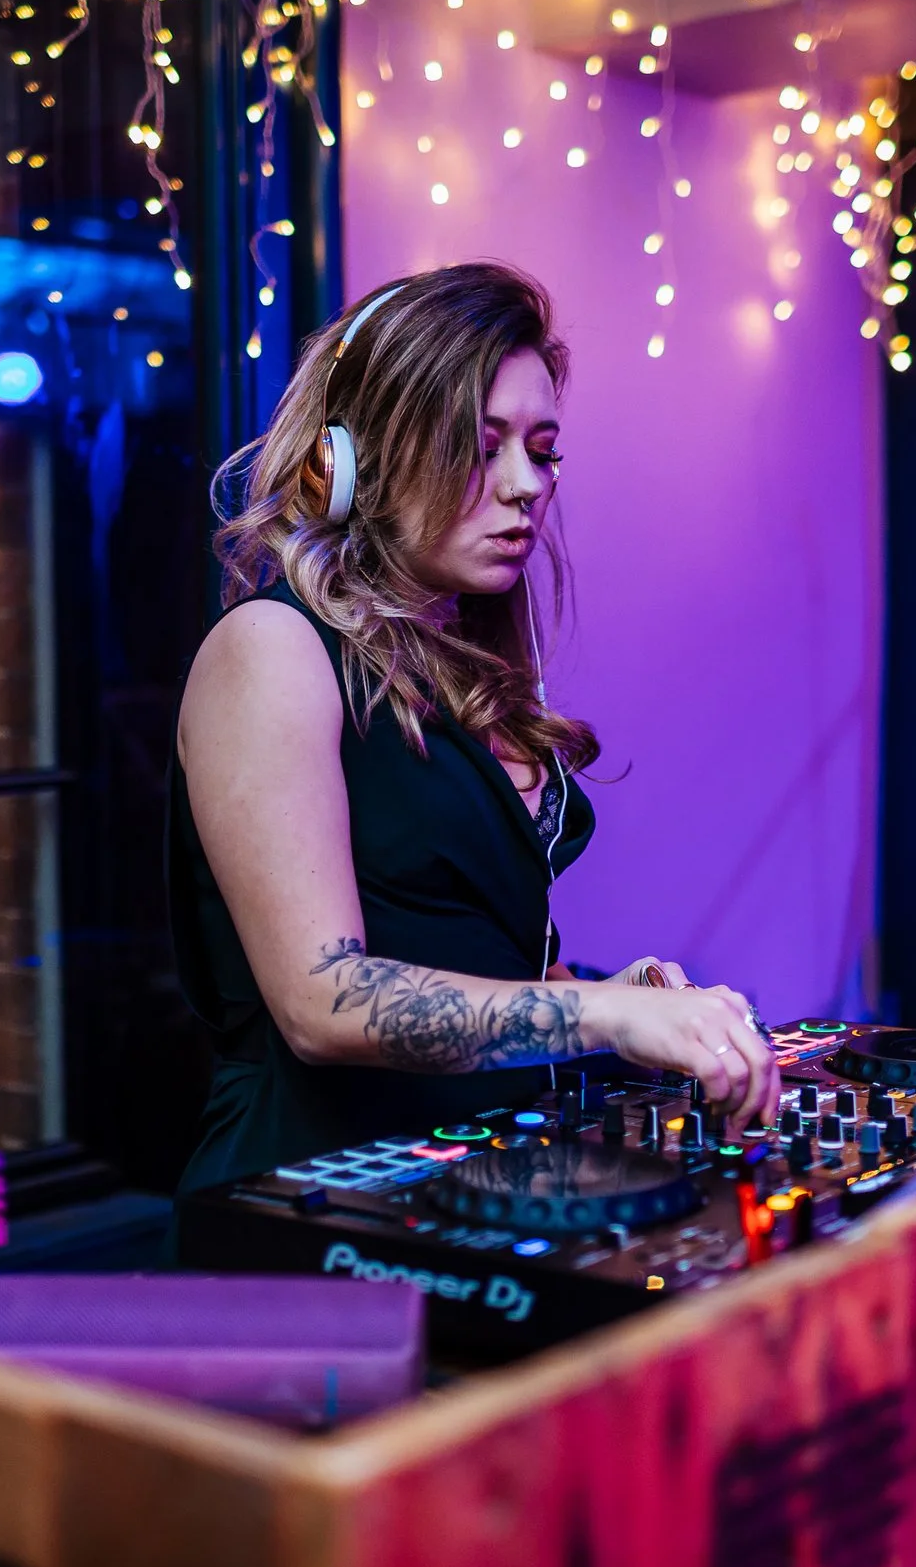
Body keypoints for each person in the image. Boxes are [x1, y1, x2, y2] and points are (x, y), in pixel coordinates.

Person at [168, 262, 779, 1192]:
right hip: (310, 1197)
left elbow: (469, 953)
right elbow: (322, 998)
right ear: (352, 460)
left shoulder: (462, 671)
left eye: (541, 448)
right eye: (479, 443)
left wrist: (640, 1004)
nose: (525, 483)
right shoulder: (273, 649)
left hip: (479, 1175)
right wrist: (605, 1018)